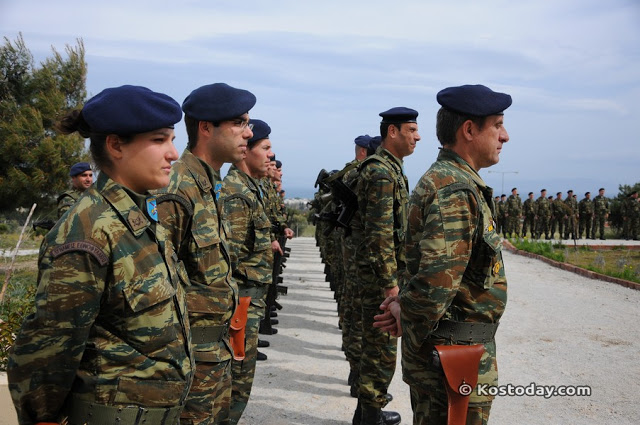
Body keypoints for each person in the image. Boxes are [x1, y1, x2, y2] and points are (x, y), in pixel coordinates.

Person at [8, 85, 193, 425]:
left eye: (171, 139)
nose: (173, 153)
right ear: (116, 145)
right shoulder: (87, 230)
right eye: (159, 140)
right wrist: (44, 416)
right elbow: (51, 348)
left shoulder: (141, 217)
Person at [374, 84, 511, 425]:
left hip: (452, 351)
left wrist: (402, 307)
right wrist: (406, 311)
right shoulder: (455, 189)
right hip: (453, 358)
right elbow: (437, 282)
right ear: (468, 130)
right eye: (497, 125)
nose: (505, 136)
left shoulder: (453, 181)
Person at [155, 82, 256, 425]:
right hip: (190, 361)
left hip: (214, 354)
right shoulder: (178, 188)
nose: (249, 132)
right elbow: (156, 284)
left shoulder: (208, 185)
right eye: (239, 123)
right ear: (206, 128)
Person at [353, 106, 420, 425]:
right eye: (411, 129)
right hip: (379, 280)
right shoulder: (380, 170)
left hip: (383, 276)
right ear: (392, 132)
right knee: (379, 350)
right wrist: (390, 286)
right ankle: (369, 416)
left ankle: (367, 411)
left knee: (378, 347)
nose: (417, 136)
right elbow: (379, 233)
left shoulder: (391, 168)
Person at [220, 119, 275, 424]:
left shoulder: (250, 189)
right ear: (245, 154)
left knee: (239, 386)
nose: (270, 156)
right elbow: (226, 264)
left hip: (249, 304)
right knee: (233, 390)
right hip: (239, 306)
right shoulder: (236, 195)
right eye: (265, 148)